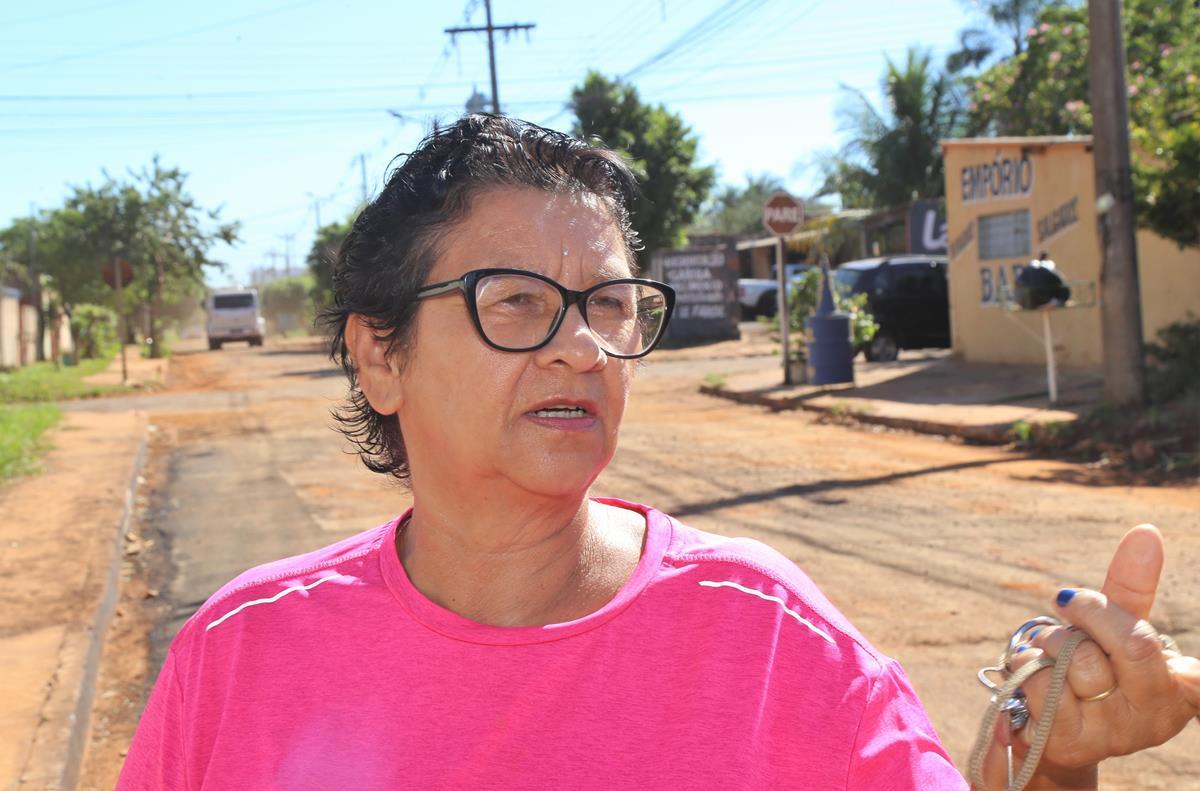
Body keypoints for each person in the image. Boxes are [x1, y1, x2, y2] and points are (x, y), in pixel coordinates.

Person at [117, 115, 1200, 790]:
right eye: (515, 301)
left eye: (610, 304)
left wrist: (1053, 761)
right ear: (378, 356)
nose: (583, 347)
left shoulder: (769, 639)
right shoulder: (241, 653)